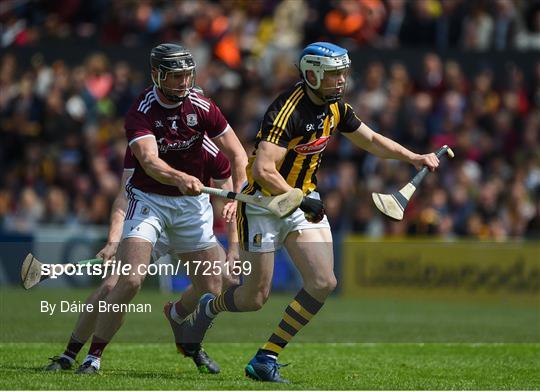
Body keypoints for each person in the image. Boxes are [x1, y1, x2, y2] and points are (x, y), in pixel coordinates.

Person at [174, 42, 440, 383]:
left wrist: (413, 157)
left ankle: (265, 358)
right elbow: (264, 171)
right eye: (333, 75)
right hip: (264, 205)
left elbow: (371, 139)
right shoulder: (288, 111)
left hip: (300, 201)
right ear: (312, 75)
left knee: (323, 281)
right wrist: (297, 198)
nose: (341, 81)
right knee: (254, 297)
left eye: (343, 73)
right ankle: (208, 310)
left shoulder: (336, 108)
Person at [75, 43, 248, 374]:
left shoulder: (206, 121)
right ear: (157, 75)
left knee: (214, 285)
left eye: (187, 76)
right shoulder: (140, 113)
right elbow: (149, 165)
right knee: (127, 281)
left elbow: (239, 158)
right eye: (176, 76)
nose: (184, 83)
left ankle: (177, 314)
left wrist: (238, 198)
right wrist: (115, 237)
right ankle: (87, 355)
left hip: (190, 210)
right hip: (150, 203)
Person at [45, 143, 239, 374]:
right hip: (150, 219)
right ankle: (71, 355)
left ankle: (177, 316)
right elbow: (124, 197)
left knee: (225, 279)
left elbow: (230, 203)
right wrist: (114, 240)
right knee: (113, 285)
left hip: (190, 222)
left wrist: (234, 248)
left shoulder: (208, 149)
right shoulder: (144, 142)